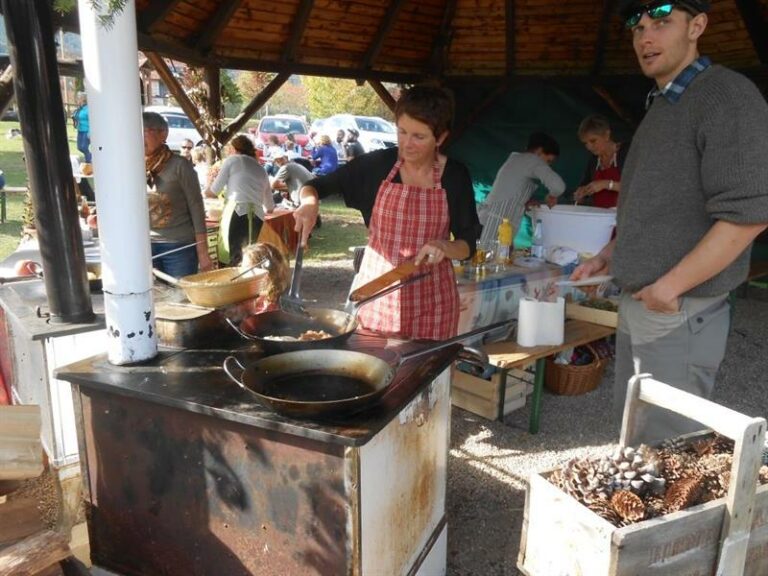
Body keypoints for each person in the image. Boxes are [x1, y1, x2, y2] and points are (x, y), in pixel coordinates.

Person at [571, 0, 768, 444]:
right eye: (638, 27)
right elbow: (648, 206)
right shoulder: (663, 104)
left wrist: (669, 289)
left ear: (697, 26)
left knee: (667, 448)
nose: (646, 37)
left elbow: (749, 216)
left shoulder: (726, 96)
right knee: (635, 440)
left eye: (662, 23)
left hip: (677, 312)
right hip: (643, 303)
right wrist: (608, 257)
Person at [293, 85, 480, 340]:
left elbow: (468, 244)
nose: (407, 144)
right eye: (402, 131)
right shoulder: (377, 165)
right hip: (377, 296)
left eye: (419, 136)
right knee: (375, 374)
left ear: (440, 138)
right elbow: (315, 186)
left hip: (434, 303)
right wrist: (309, 204)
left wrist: (444, 247)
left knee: (427, 377)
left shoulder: (455, 176)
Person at [143, 112, 212, 277]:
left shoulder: (180, 166)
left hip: (179, 247)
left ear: (163, 134)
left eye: (145, 130)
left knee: (179, 297)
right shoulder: (131, 164)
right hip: (144, 246)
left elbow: (196, 208)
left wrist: (203, 253)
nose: (138, 136)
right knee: (151, 299)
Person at [477, 132, 565, 247]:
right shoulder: (531, 160)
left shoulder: (518, 160)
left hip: (492, 222)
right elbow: (558, 186)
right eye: (548, 161)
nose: (547, 166)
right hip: (493, 225)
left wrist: (526, 202)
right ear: (539, 151)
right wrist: (552, 195)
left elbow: (511, 190)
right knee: (488, 261)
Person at [204, 135, 274, 266]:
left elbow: (213, 191)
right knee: (250, 255)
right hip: (257, 215)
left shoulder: (233, 161)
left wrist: (204, 191)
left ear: (234, 149)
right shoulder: (261, 169)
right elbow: (270, 206)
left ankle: (230, 283)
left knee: (230, 253)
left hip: (236, 212)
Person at [574, 114, 628, 208]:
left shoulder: (627, 153)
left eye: (593, 141)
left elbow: (637, 188)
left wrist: (606, 184)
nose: (589, 147)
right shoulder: (594, 160)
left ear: (607, 135)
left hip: (624, 218)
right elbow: (585, 184)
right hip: (600, 218)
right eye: (585, 143)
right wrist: (582, 192)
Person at [72, 92, 92, 164]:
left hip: (86, 131)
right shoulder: (80, 109)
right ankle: (89, 158)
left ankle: (89, 160)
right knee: (79, 147)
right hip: (80, 131)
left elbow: (92, 121)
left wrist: (90, 132)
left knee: (84, 147)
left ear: (83, 99)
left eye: (78, 98)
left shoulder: (88, 109)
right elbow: (76, 117)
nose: (77, 100)